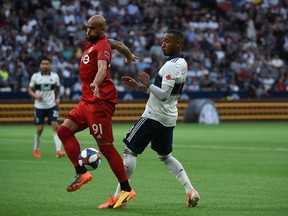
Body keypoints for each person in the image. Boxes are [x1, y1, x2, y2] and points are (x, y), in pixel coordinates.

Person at [99, 29, 200, 208]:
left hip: (154, 116)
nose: (163, 43)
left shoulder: (170, 66)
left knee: (130, 150)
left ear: (178, 44)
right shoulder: (181, 63)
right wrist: (139, 87)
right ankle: (190, 190)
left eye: (167, 41)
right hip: (168, 117)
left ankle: (121, 194)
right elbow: (165, 93)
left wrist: (147, 83)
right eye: (162, 40)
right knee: (165, 156)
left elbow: (161, 95)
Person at [57, 15, 136, 209]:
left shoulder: (102, 46)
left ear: (102, 30)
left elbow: (102, 68)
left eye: (92, 29)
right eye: (87, 28)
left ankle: (126, 189)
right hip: (86, 101)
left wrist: (96, 82)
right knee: (64, 132)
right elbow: (117, 44)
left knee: (106, 147)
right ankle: (81, 172)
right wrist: (128, 55)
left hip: (99, 102)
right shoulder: (94, 44)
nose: (88, 31)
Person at [28, 56, 65, 158]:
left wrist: (58, 98)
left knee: (56, 126)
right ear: (40, 65)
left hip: (51, 106)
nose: (45, 66)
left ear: (50, 65)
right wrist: (36, 96)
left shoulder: (55, 76)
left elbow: (57, 89)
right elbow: (30, 90)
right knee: (40, 128)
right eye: (43, 64)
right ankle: (36, 149)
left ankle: (58, 151)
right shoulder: (35, 76)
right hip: (39, 107)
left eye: (46, 64)